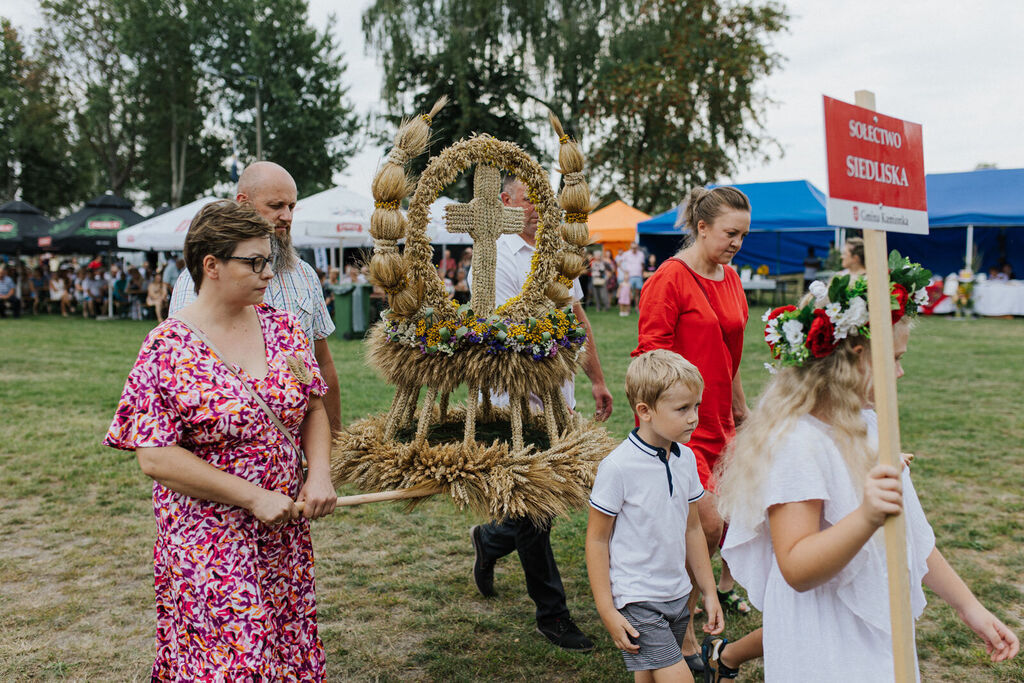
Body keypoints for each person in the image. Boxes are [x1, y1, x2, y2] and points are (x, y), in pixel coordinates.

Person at [713, 271, 1020, 681]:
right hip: (827, 637)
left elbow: (910, 535)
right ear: (856, 356)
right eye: (894, 359)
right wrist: (866, 516)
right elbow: (797, 566)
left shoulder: (871, 426)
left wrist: (970, 607)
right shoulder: (798, 443)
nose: (899, 374)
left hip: (877, 628)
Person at [104, 200, 337, 680]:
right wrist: (253, 497)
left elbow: (314, 407)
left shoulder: (285, 328)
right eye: (254, 262)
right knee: (235, 663)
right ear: (211, 265)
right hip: (207, 541)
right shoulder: (167, 347)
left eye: (269, 259)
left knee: (285, 647)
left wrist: (319, 475)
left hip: (280, 533)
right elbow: (156, 458)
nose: (268, 272)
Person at [470, 174, 614, 652]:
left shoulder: (555, 252)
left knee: (546, 503)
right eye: (528, 198)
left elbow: (575, 316)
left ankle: (490, 541)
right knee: (537, 512)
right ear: (504, 202)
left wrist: (595, 378)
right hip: (518, 405)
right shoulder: (492, 260)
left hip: (561, 399)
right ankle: (552, 614)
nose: (537, 207)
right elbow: (500, 327)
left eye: (543, 199)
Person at [633, 185, 752, 670]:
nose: (737, 243)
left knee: (723, 521)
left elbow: (730, 352)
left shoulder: (731, 277)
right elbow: (648, 356)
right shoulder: (670, 278)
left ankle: (690, 606)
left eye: (743, 235)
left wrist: (741, 409)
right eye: (730, 233)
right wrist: (668, 421)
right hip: (679, 427)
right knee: (704, 522)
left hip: (722, 416)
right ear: (701, 228)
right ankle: (680, 637)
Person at [170, 161, 342, 434]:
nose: (287, 216)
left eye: (292, 207)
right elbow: (181, 380)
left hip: (301, 448)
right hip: (229, 441)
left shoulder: (306, 275)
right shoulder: (196, 282)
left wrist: (333, 438)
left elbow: (322, 364)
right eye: (276, 206)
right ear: (243, 203)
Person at [587, 350, 724, 680]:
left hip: (676, 595)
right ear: (645, 411)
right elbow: (596, 539)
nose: (694, 417)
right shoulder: (618, 468)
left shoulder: (686, 459)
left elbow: (692, 528)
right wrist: (607, 609)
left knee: (648, 676)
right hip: (638, 599)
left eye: (696, 406)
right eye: (682, 409)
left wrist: (708, 590)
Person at [617, 242, 646, 310]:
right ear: (631, 247)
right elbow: (619, 263)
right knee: (628, 292)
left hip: (638, 275)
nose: (634, 249)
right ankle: (628, 308)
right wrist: (624, 271)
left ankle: (637, 307)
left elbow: (642, 265)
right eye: (633, 248)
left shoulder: (641, 254)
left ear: (637, 247)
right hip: (630, 276)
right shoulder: (627, 254)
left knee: (637, 293)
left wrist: (642, 273)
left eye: (635, 248)